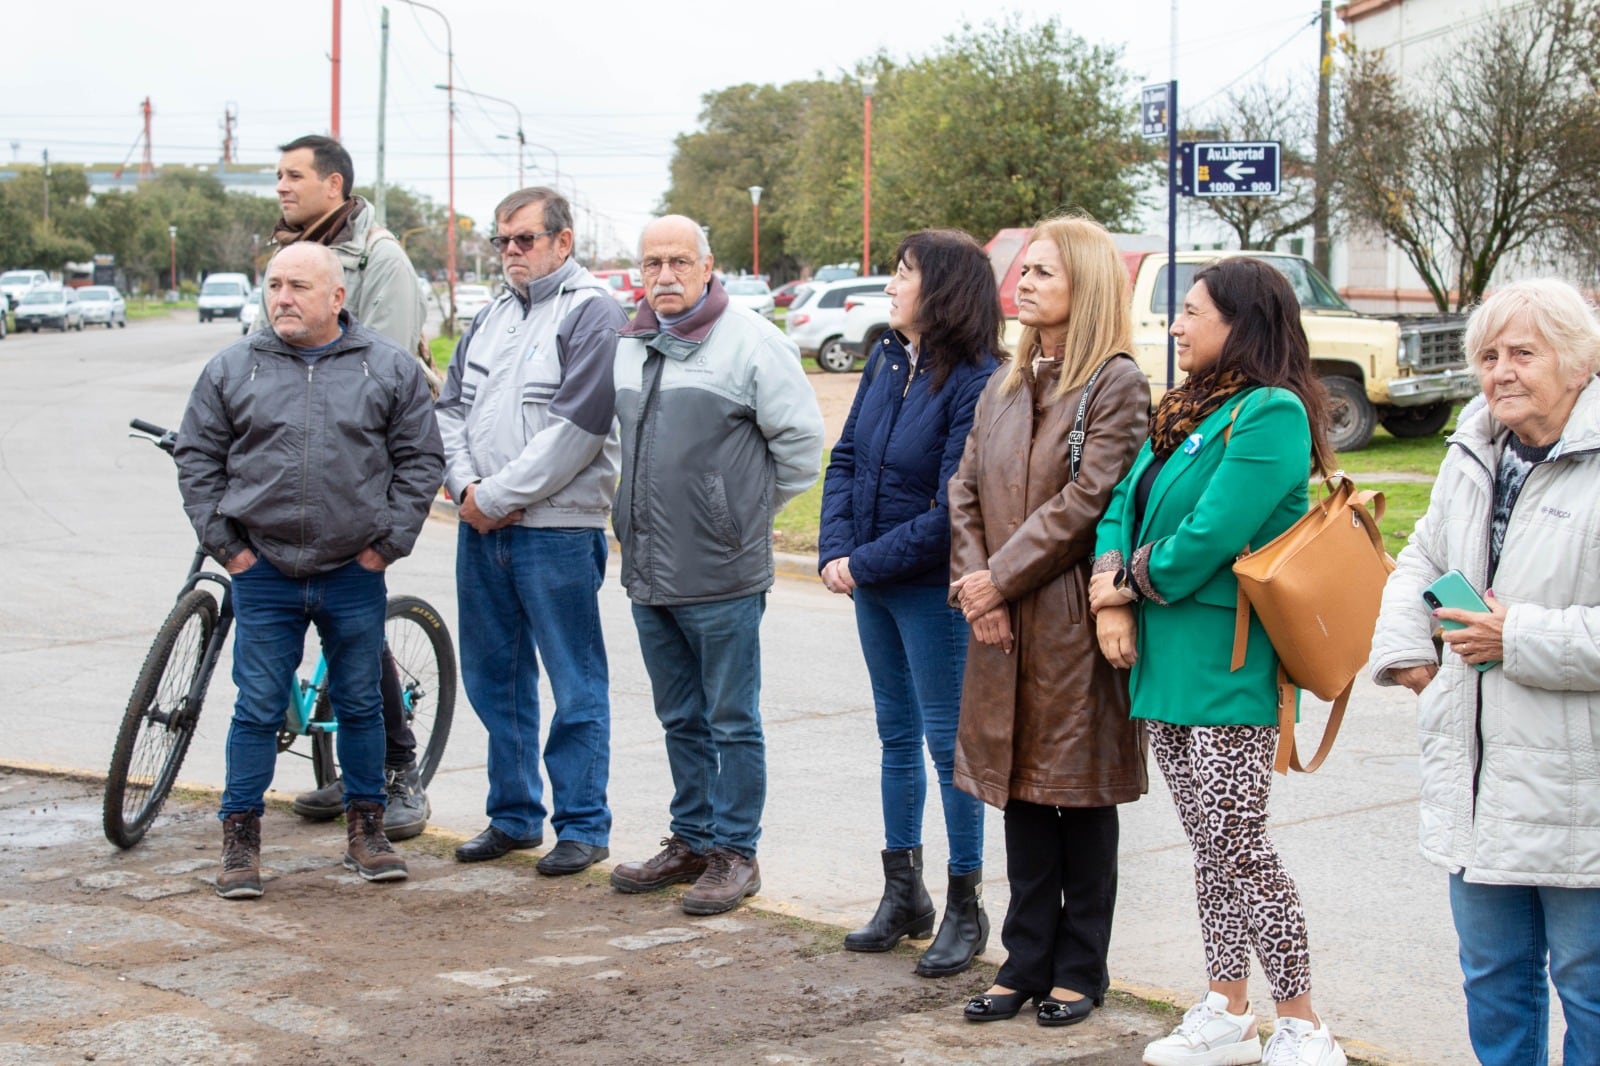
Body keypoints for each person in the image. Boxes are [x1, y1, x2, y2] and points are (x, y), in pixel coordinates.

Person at [1089, 257, 1347, 1066]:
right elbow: (1119, 507)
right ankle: (1227, 1010)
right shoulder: (1182, 411)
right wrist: (1109, 582)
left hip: (1232, 666)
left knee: (1241, 845)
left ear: (1243, 321)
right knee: (1208, 847)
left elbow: (1212, 533)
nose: (1176, 325)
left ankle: (1304, 1023)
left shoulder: (1271, 413)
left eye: (1192, 311)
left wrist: (1125, 585)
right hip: (1165, 660)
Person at [1369, 279, 1600, 1066]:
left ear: (1579, 363)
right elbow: (1422, 556)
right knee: (1493, 980)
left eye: (1522, 353)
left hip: (1580, 788)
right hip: (1475, 775)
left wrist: (1518, 636)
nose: (1500, 371)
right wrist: (1407, 650)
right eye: (1488, 355)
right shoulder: (1476, 449)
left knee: (1588, 984)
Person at [175, 242, 444, 899]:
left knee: (359, 705)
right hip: (263, 569)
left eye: (299, 286)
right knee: (258, 708)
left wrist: (386, 548)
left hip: (354, 569)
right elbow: (197, 460)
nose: (283, 298)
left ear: (336, 298)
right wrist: (229, 550)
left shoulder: (388, 368)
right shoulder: (233, 368)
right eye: (274, 285)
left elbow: (420, 461)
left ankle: (367, 830)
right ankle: (240, 841)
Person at [947, 217, 1150, 1023]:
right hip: (999, 618)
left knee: (1080, 797)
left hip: (1068, 622)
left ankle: (1080, 968)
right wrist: (976, 587)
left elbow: (1087, 502)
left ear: (1086, 288)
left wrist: (996, 580)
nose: (1024, 283)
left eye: (1043, 273)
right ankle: (1024, 958)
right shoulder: (1006, 379)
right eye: (1023, 271)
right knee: (1022, 795)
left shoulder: (1117, 383)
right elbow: (964, 489)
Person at [609, 215, 824, 916]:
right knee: (679, 716)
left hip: (722, 571)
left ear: (708, 267)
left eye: (677, 261)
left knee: (732, 719)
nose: (663, 275)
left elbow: (798, 447)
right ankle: (693, 841)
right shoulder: (633, 340)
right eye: (651, 263)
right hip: (649, 569)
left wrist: (735, 515)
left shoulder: (752, 343)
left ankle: (736, 852)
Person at [817, 229, 1000, 977]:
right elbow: (848, 457)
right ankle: (904, 896)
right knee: (894, 739)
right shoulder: (887, 357)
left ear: (945, 290)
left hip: (933, 590)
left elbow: (959, 503)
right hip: (873, 583)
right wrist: (835, 550)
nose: (889, 287)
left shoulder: (980, 378)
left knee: (947, 745)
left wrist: (863, 561)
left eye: (902, 275)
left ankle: (965, 905)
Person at [436, 187, 627, 872]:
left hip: (557, 531)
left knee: (575, 684)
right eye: (503, 241)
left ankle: (582, 825)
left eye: (525, 239)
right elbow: (448, 411)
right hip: (481, 526)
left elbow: (576, 432)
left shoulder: (595, 315)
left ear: (563, 241)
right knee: (496, 679)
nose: (511, 252)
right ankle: (513, 816)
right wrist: (467, 490)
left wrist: (498, 495)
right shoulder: (488, 317)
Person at [271, 134, 440, 840]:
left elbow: (389, 381)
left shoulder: (381, 259)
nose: (281, 187)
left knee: (356, 633)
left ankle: (399, 773)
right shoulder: (293, 251)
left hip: (354, 480)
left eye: (292, 176)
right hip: (290, 476)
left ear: (333, 186)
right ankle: (349, 773)